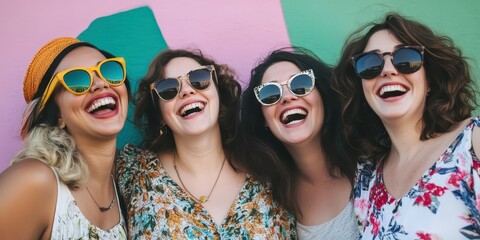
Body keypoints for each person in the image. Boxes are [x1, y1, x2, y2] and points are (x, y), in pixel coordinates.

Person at [116, 49, 296, 239]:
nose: (187, 91)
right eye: (168, 88)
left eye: (199, 79)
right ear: (160, 114)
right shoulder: (134, 171)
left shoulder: (270, 172)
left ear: (218, 92)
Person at [332, 12, 480, 238]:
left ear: (429, 79)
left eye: (406, 59)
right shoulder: (367, 183)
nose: (388, 70)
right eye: (370, 64)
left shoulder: (472, 143)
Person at [0, 37, 129, 239]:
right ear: (58, 114)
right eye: (76, 80)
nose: (100, 84)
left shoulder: (126, 183)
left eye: (108, 70)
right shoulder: (34, 180)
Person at [239, 47, 359, 239]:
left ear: (323, 96)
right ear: (263, 119)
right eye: (270, 93)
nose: (288, 97)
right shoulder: (270, 202)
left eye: (300, 84)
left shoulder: (373, 163)